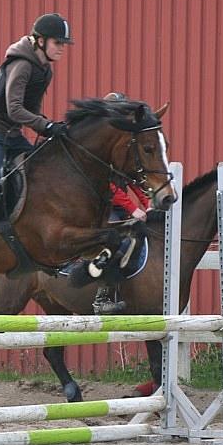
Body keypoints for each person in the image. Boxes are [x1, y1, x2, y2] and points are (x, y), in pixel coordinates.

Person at [0, 13, 74, 278]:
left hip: (13, 133)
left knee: (42, 175)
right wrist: (46, 126)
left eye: (64, 44)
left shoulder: (44, 70)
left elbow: (31, 110)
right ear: (40, 41)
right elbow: (15, 109)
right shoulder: (22, 65)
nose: (62, 48)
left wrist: (52, 127)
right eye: (58, 42)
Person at [91, 92, 151, 314]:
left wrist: (148, 203)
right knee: (116, 241)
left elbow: (131, 179)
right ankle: (101, 298)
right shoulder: (99, 146)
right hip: (101, 206)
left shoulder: (121, 146)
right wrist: (134, 208)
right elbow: (110, 187)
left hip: (119, 205)